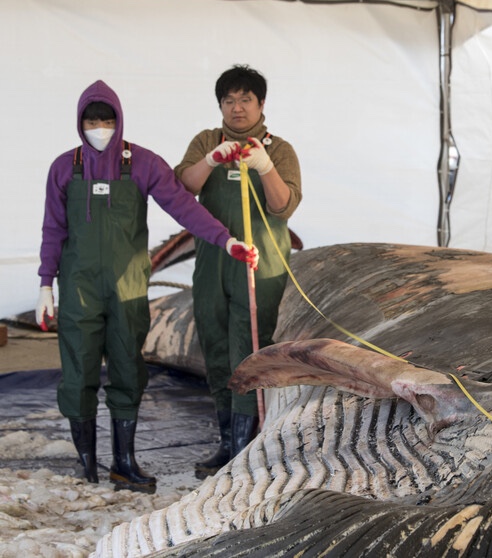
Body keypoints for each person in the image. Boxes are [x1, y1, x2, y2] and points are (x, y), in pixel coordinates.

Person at [36, 80, 258, 493]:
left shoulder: (143, 164)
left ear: (118, 120)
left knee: (127, 368)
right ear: (79, 122)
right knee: (78, 372)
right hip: (79, 289)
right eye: (91, 120)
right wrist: (45, 284)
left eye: (106, 119)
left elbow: (184, 207)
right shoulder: (64, 167)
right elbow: (54, 228)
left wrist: (225, 239)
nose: (99, 127)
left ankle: (125, 463)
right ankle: (86, 466)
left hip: (128, 289)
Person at [175, 65, 302, 479]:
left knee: (250, 348)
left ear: (261, 104)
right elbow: (184, 189)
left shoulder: (279, 149)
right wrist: (212, 160)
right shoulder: (205, 141)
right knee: (213, 343)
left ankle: (250, 445)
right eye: (229, 101)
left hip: (259, 265)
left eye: (245, 99)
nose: (237, 108)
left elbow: (284, 205)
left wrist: (265, 167)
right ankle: (227, 443)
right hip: (212, 261)